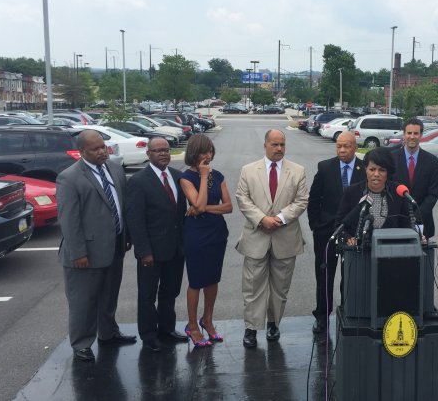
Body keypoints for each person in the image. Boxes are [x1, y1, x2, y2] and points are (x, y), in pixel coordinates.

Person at [56, 129, 136, 362]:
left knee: (109, 295)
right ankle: (81, 343)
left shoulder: (113, 168)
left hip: (114, 247)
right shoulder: (69, 178)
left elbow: (121, 205)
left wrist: (126, 235)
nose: (102, 151)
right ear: (82, 152)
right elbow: (69, 220)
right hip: (85, 254)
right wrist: (79, 252)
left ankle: (108, 333)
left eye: (103, 146)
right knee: (84, 301)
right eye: (95, 149)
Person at [236, 129, 308, 348]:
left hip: (285, 238)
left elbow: (302, 200)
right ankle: (251, 328)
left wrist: (278, 219)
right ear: (265, 145)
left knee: (280, 288)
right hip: (256, 237)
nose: (279, 149)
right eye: (275, 145)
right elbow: (242, 198)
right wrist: (262, 219)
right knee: (252, 287)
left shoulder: (298, 171)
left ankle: (273, 324)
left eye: (282, 145)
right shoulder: (248, 171)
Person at [125, 137, 189, 352]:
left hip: (175, 249)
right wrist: (143, 251)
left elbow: (180, 214)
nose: (163, 154)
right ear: (148, 154)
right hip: (151, 252)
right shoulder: (138, 181)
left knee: (170, 292)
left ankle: (167, 329)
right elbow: (135, 220)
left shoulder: (177, 177)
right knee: (147, 296)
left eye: (166, 150)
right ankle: (149, 335)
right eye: (157, 150)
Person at [307, 132, 366, 334]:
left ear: (355, 147)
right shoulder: (325, 168)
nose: (342, 150)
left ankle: (348, 312)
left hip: (354, 233)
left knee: (351, 275)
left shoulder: (365, 168)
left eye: (347, 146)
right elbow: (313, 200)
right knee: (324, 275)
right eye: (339, 146)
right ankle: (322, 316)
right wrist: (316, 225)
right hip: (327, 232)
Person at [180, 134, 233, 348]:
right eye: (204, 151)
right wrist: (203, 176)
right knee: (196, 281)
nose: (208, 155)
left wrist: (203, 209)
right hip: (196, 235)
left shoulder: (218, 175)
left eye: (210, 151)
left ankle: (207, 320)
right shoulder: (186, 177)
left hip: (216, 233)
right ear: (194, 153)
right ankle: (192, 326)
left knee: (212, 280)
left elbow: (228, 207)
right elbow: (198, 203)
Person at [335, 147, 413, 242]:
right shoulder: (351, 192)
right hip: (359, 251)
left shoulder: (398, 192)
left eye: (381, 170)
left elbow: (407, 225)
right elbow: (339, 225)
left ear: (388, 172)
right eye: (372, 169)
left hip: (391, 250)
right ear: (365, 169)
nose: (376, 174)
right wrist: (347, 238)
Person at [391, 118, 438, 240]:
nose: (412, 137)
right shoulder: (392, 159)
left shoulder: (431, 161)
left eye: (416, 133)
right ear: (404, 134)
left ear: (421, 135)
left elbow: (432, 194)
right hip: (397, 222)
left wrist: (416, 216)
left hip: (423, 223)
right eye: (409, 133)